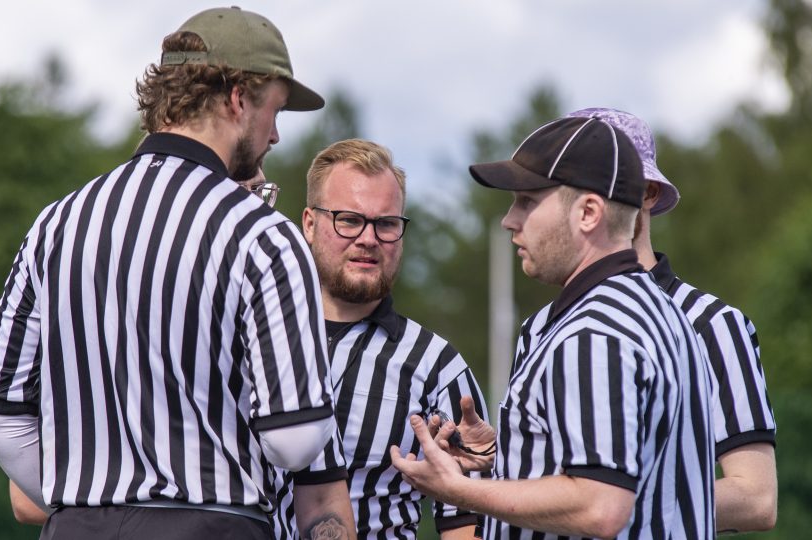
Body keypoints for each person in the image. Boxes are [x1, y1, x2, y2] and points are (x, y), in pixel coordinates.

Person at [0, 7, 354, 539]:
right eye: (275, 110)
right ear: (238, 98)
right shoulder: (262, 233)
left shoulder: (56, 222)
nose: (275, 136)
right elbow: (294, 439)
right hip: (213, 525)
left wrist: (81, 499)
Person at [391, 116, 716, 539]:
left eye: (527, 201)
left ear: (588, 213)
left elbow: (601, 505)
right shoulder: (660, 310)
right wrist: (511, 453)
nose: (510, 219)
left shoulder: (595, 331)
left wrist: (458, 490)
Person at [565, 107, 778, 533]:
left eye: (607, 184)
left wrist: (615, 503)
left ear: (648, 193)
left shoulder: (712, 323)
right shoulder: (542, 330)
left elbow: (757, 498)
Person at [269, 139, 490, 539]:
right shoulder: (256, 338)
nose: (368, 238)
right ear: (309, 224)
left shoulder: (437, 366)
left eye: (386, 224)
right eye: (349, 220)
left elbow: (466, 526)